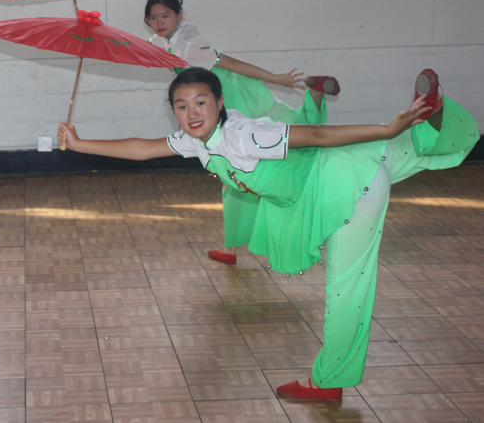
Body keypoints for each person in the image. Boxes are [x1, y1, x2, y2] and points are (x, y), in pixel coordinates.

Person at [57, 67, 478, 400]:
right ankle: (434, 112)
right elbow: (143, 148)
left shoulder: (242, 136)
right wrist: (80, 144)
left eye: (201, 102)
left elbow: (314, 135)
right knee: (411, 149)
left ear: (220, 102)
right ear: (175, 112)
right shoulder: (200, 141)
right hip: (352, 165)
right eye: (181, 106)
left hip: (344, 188)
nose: (192, 113)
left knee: (346, 287)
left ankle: (329, 380)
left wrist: (386, 126)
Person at [144, 0, 340, 265]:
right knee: (286, 139)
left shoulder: (190, 44)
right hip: (225, 103)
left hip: (232, 102)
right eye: (153, 17)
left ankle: (231, 248)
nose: (159, 21)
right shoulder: (162, 40)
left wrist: (278, 78)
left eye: (165, 15)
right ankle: (315, 97)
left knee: (279, 147)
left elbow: (232, 63)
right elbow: (147, 49)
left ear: (180, 15)